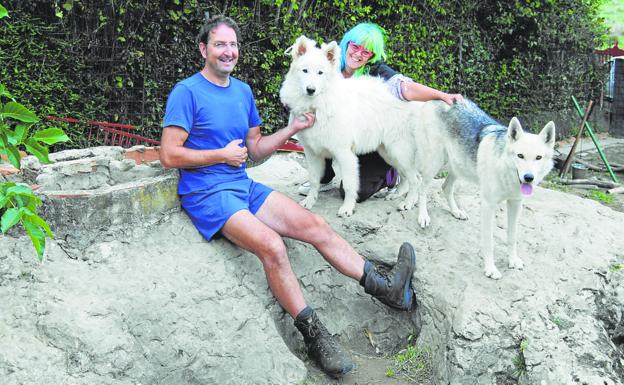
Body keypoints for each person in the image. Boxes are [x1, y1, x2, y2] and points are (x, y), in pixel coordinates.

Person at [159, 15, 418, 379]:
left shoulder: (242, 92)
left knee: (315, 224)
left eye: (233, 45)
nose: (228, 51)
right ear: (203, 49)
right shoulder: (186, 92)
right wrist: (218, 156)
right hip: (207, 194)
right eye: (219, 44)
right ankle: (317, 340)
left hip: (241, 185)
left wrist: (293, 128)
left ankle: (389, 289)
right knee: (273, 246)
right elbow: (169, 155)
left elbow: (257, 151)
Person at [298, 22, 464, 202]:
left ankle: (391, 174)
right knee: (322, 123)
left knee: (356, 192)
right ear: (347, 44)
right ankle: (324, 178)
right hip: (340, 132)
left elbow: (406, 89)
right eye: (355, 46)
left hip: (371, 137)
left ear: (372, 55)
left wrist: (442, 96)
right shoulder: (328, 63)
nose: (358, 53)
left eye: (366, 51)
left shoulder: (376, 70)